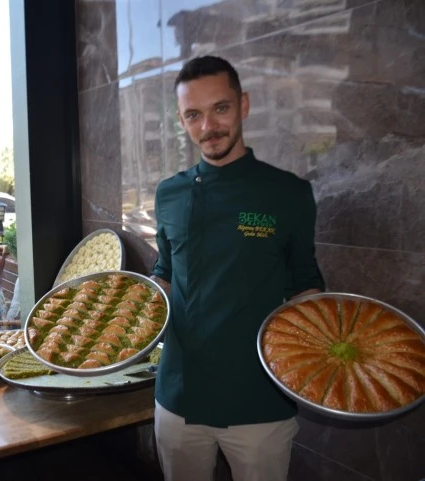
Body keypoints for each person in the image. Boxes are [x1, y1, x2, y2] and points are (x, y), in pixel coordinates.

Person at [151, 56, 325, 481]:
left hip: (260, 401)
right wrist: (133, 307)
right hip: (179, 396)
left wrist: (318, 352)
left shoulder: (288, 193)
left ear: (243, 105)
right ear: (181, 120)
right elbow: (165, 271)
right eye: (194, 115)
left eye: (220, 108)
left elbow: (305, 283)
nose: (208, 126)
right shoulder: (169, 194)